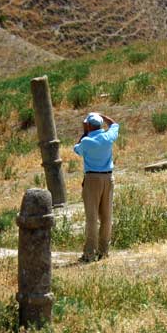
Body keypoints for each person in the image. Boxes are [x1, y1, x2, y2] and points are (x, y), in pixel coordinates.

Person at [73, 112, 119, 262]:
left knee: (92, 217)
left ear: (88, 126)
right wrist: (104, 115)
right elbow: (114, 125)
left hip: (92, 179)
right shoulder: (108, 137)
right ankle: (104, 251)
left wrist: (85, 133)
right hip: (108, 178)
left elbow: (77, 149)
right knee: (107, 216)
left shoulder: (87, 141)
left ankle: (89, 253)